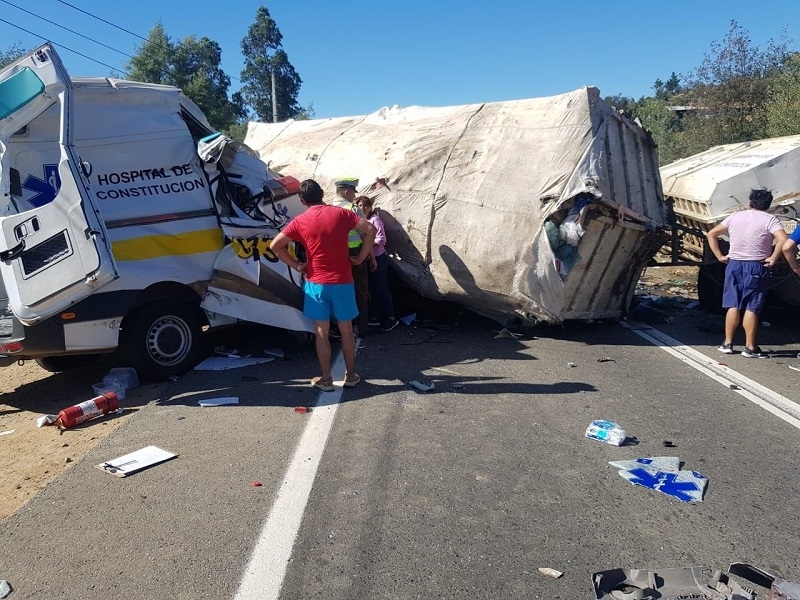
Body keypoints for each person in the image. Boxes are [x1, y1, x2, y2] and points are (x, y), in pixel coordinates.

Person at [271, 179, 376, 391]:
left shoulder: (300, 221)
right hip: (343, 281)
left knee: (321, 331)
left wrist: (298, 265)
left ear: (302, 200)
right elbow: (370, 230)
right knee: (347, 330)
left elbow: (275, 245)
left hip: (316, 283)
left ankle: (326, 378)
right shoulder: (342, 214)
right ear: (322, 194)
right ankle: (351, 375)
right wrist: (360, 258)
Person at [706, 188, 787, 358]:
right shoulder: (770, 219)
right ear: (768, 205)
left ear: (750, 202)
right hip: (756, 266)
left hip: (734, 265)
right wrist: (773, 258)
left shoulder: (735, 216)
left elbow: (712, 233)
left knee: (733, 304)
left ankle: (727, 343)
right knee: (752, 306)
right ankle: (749, 347)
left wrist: (720, 255)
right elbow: (783, 239)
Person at [330, 177, 371, 348]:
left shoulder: (328, 208)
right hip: (355, 254)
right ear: (346, 192)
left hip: (337, 254)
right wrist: (368, 255)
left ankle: (343, 327)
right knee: (360, 290)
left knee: (340, 290)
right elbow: (366, 232)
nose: (354, 196)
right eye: (353, 192)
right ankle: (362, 327)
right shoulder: (352, 208)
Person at [356, 195, 398, 331]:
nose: (363, 208)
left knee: (382, 288)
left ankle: (390, 318)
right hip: (367, 258)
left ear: (370, 207)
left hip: (378, 258)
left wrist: (367, 243)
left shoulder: (375, 221)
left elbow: (381, 240)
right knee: (373, 288)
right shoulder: (362, 221)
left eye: (366, 206)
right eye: (360, 206)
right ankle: (376, 316)